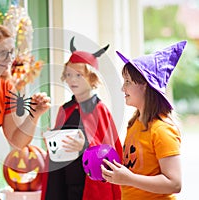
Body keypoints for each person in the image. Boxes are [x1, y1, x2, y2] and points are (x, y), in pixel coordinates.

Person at [101, 40, 187, 200]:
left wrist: (128, 178)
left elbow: (175, 183)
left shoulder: (161, 130)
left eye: (128, 82)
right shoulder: (134, 124)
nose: (122, 88)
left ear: (145, 86)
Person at [41, 37, 123, 200]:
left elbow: (108, 153)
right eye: (69, 74)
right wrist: (52, 140)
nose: (72, 80)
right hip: (64, 183)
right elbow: (59, 149)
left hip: (87, 185)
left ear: (92, 78)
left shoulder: (100, 110)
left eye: (79, 75)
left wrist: (85, 146)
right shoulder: (66, 109)